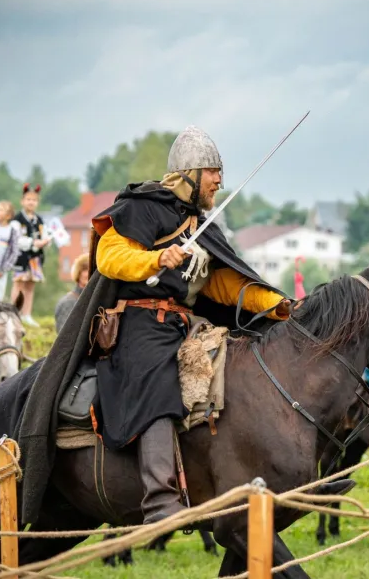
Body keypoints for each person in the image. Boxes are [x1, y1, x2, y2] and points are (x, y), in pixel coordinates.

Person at [90, 125, 291, 524]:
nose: (219, 181)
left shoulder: (203, 226)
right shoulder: (143, 207)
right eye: (213, 171)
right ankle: (159, 499)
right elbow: (109, 256)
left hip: (186, 324)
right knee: (159, 380)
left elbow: (225, 284)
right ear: (190, 173)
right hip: (140, 324)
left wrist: (277, 305)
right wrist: (155, 259)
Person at [10, 184, 51, 327]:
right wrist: (33, 242)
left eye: (34, 200)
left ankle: (27, 314)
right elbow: (16, 239)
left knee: (30, 285)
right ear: (22, 201)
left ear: (37, 202)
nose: (31, 202)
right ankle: (15, 312)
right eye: (28, 199)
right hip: (21, 257)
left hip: (35, 258)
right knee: (19, 284)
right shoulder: (17, 220)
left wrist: (46, 241)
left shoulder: (39, 220)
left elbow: (44, 234)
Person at [54, 253, 88, 332]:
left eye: (92, 269)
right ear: (78, 273)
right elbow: (65, 334)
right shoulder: (68, 302)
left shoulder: (93, 299)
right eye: (85, 269)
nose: (89, 273)